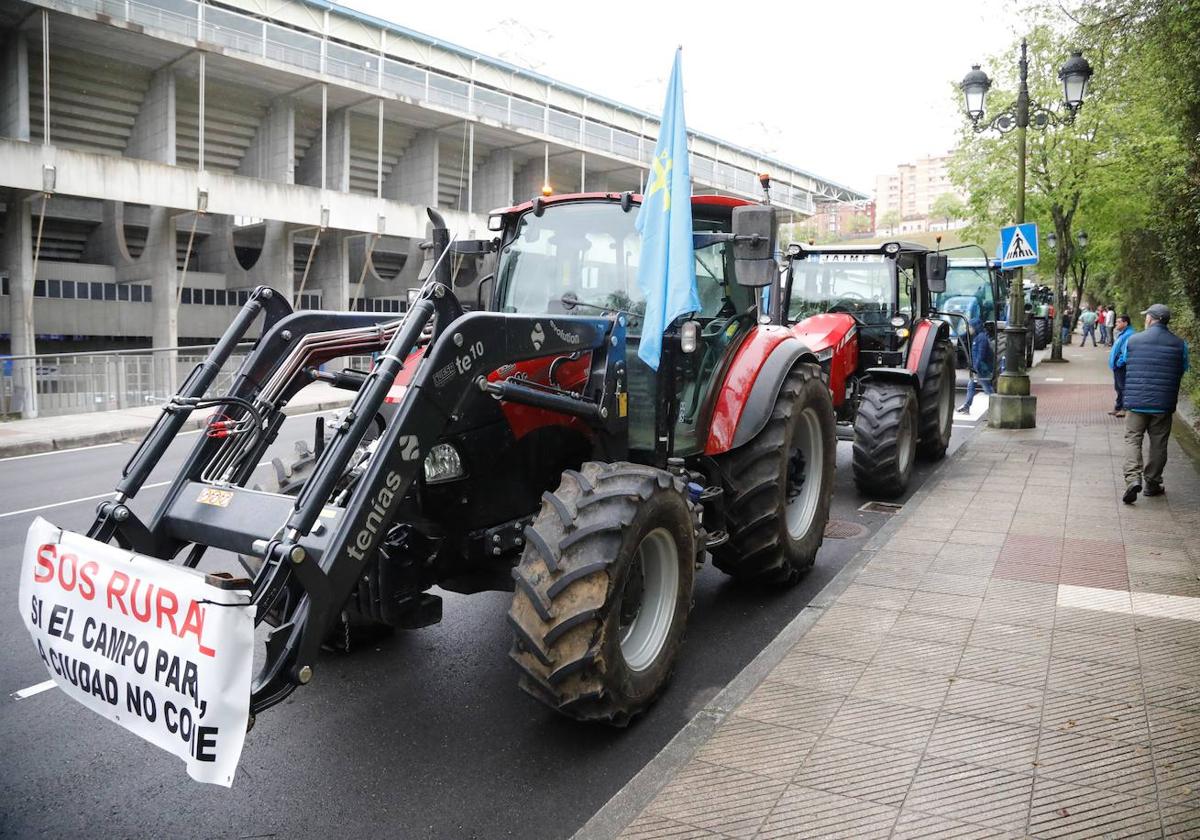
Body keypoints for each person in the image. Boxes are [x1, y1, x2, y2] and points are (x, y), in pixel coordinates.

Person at [1120, 304, 1190, 504]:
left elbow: (1124, 361)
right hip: (1163, 403)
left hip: (1136, 402)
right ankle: (1152, 483)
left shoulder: (1133, 340)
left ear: (1151, 319)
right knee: (1159, 443)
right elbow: (1184, 367)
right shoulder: (1180, 344)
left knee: (1133, 439)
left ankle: (1133, 479)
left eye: (1146, 317)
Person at [956, 318, 994, 414]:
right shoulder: (977, 336)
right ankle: (967, 406)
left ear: (976, 327)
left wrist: (975, 368)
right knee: (971, 386)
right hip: (978, 368)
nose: (969, 329)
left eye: (970, 327)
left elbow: (981, 355)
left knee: (987, 389)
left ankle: (996, 407)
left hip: (982, 369)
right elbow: (963, 337)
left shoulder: (981, 338)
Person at [1108, 313, 1134, 417]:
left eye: (1118, 322)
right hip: (1117, 366)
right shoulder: (1123, 333)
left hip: (1121, 366)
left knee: (1122, 387)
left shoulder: (1129, 335)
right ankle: (1118, 407)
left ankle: (1124, 408)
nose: (1116, 324)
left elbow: (1126, 351)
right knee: (1118, 387)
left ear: (1125, 323)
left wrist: (1120, 362)